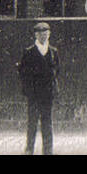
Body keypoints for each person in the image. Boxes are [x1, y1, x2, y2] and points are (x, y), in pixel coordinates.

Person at [17, 21, 60, 155]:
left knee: (47, 122)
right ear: (36, 35)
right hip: (34, 93)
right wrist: (29, 90)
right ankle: (29, 148)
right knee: (32, 122)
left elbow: (57, 70)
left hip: (47, 93)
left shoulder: (53, 52)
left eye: (46, 33)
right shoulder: (29, 52)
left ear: (49, 34)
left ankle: (48, 150)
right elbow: (23, 72)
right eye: (41, 34)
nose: (44, 36)